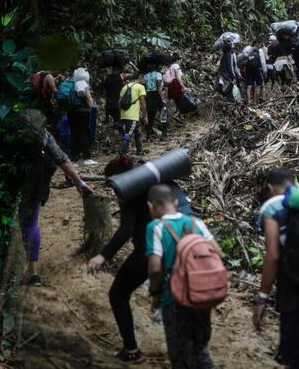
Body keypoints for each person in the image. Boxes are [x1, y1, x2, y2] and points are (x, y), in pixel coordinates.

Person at [87, 157, 191, 364]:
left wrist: (103, 255)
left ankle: (131, 350)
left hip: (149, 252)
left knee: (118, 295)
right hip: (179, 250)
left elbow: (127, 228)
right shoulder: (156, 183)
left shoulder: (128, 190)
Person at [252, 167, 299, 369]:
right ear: (295, 182)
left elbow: (273, 255)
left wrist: (262, 297)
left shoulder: (272, 207)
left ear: (269, 187)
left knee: (293, 349)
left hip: (293, 284)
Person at [146, 184, 217, 369]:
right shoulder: (196, 223)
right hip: (201, 295)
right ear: (176, 202)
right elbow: (216, 252)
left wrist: (155, 293)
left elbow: (154, 269)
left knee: (180, 352)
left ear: (151, 206)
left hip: (174, 297)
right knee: (200, 346)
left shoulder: (156, 227)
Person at [20, 113, 93, 286]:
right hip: (35, 182)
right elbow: (61, 158)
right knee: (31, 224)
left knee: (15, 225)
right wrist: (79, 182)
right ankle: (33, 273)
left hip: (11, 181)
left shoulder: (5, 125)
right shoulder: (40, 129)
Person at [67, 68, 97, 166]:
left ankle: (73, 159)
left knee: (74, 134)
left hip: (71, 112)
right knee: (83, 134)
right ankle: (87, 158)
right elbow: (88, 98)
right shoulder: (83, 84)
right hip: (83, 112)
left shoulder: (72, 84)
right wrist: (93, 109)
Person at [118, 73, 147, 156]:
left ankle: (139, 151)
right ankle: (121, 151)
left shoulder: (124, 87)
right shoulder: (140, 87)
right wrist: (145, 116)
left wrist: (122, 113)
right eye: (142, 78)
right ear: (139, 78)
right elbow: (143, 103)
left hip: (124, 115)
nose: (143, 81)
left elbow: (119, 102)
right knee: (128, 134)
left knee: (137, 132)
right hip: (132, 116)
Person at [103, 65, 130, 131]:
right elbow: (136, 72)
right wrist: (130, 63)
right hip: (117, 104)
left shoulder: (107, 77)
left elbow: (104, 87)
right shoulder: (121, 76)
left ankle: (115, 136)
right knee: (118, 123)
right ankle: (123, 138)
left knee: (112, 124)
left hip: (108, 105)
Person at [144, 63, 166, 142]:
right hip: (157, 94)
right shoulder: (158, 74)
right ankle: (164, 134)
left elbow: (145, 87)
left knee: (150, 117)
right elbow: (159, 86)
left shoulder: (145, 76)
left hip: (148, 95)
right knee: (163, 113)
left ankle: (148, 136)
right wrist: (162, 98)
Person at [165, 54, 188, 124]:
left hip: (171, 85)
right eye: (181, 60)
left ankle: (178, 119)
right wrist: (183, 86)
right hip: (176, 84)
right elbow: (178, 77)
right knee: (182, 100)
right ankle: (177, 115)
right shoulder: (176, 66)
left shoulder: (171, 66)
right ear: (177, 60)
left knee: (177, 102)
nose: (181, 62)